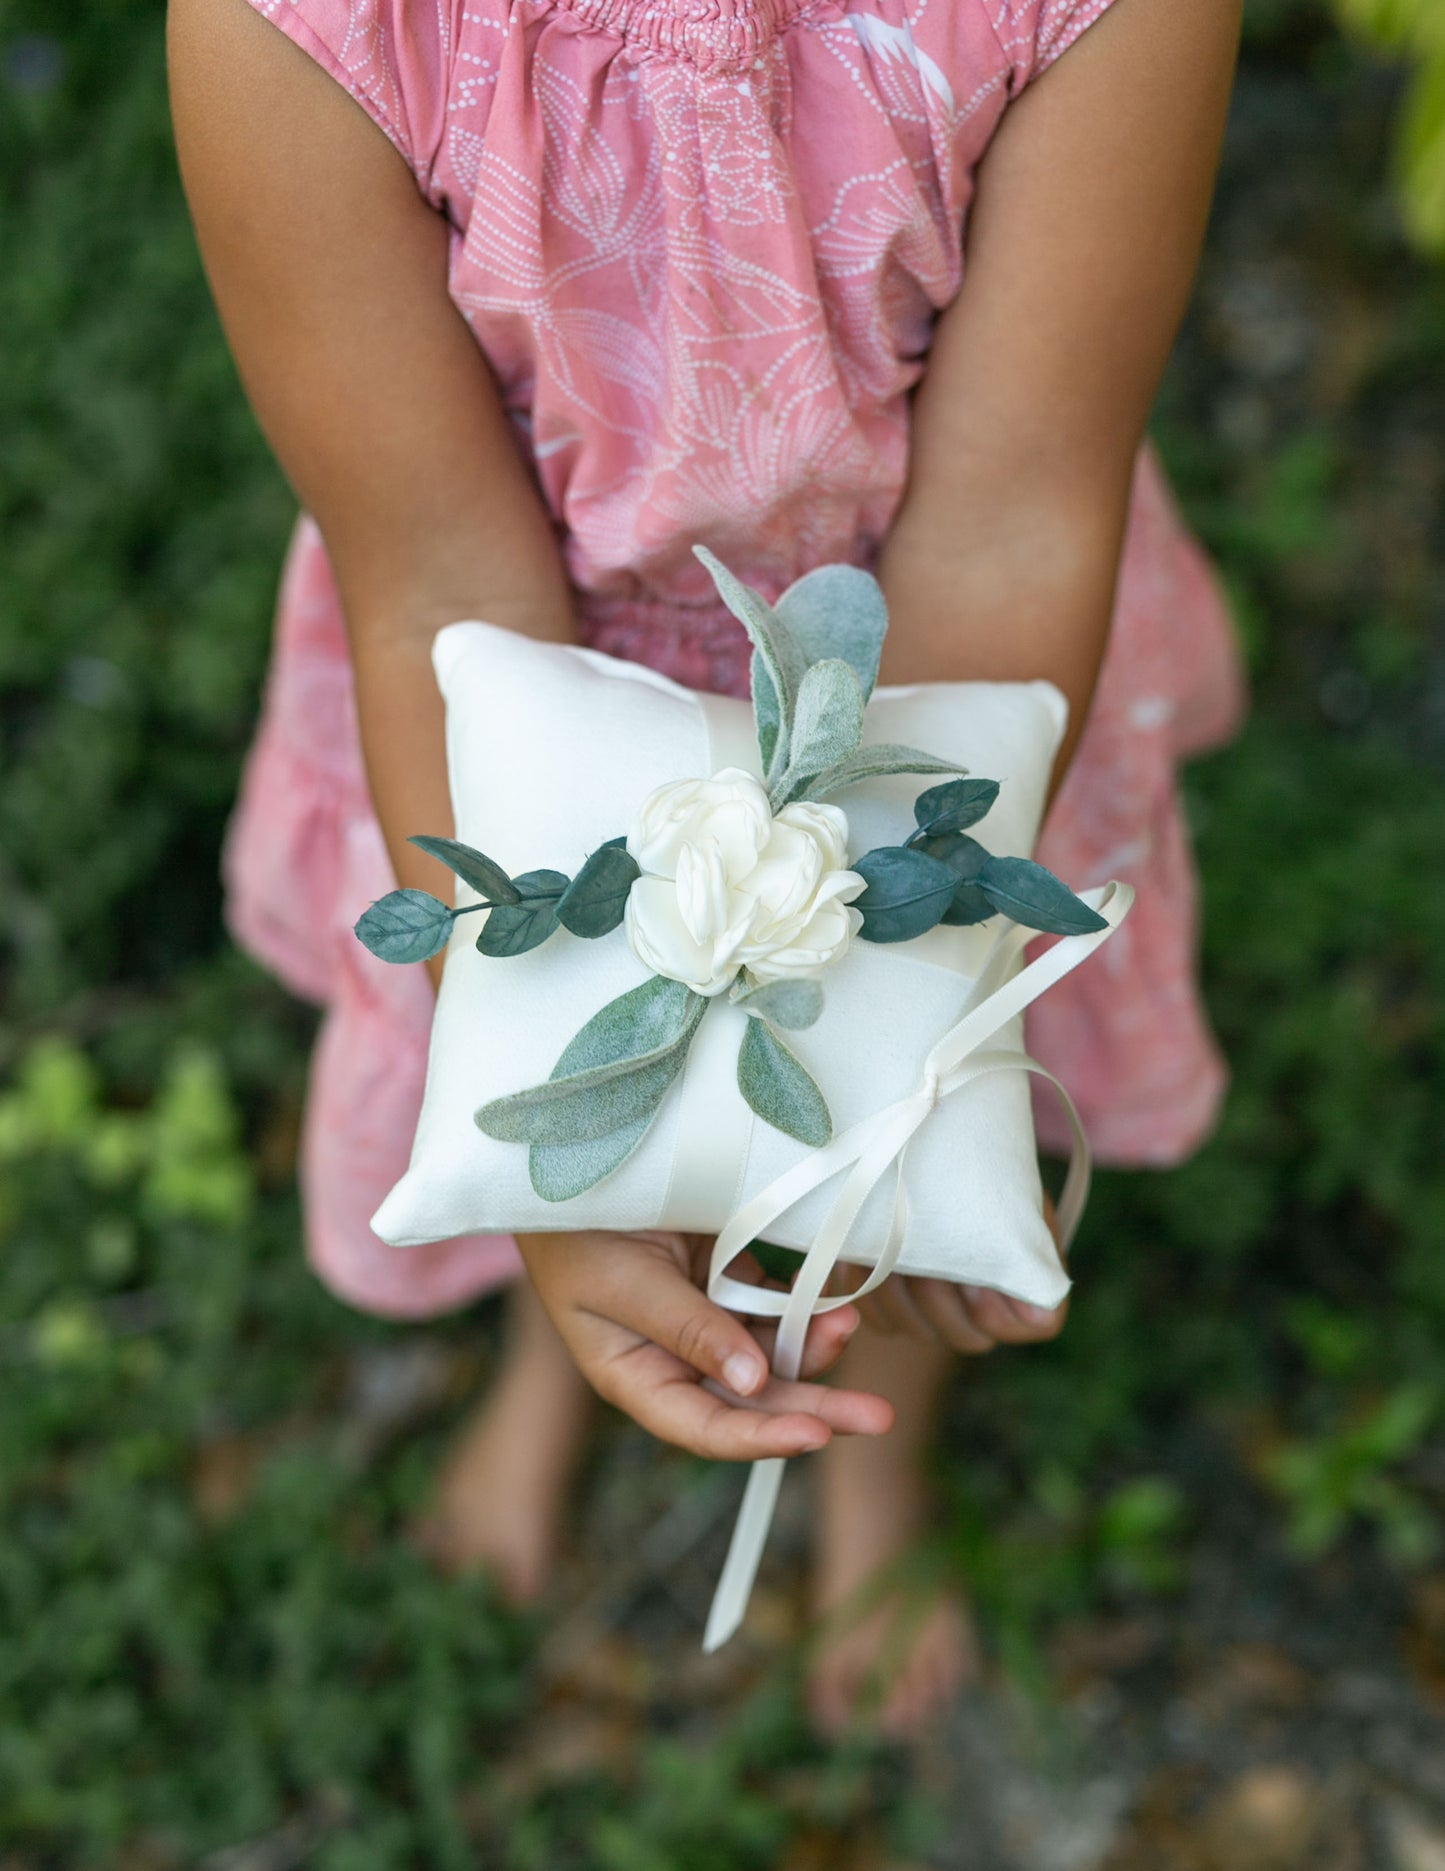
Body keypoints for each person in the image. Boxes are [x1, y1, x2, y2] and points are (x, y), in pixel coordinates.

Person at [168, 0, 1246, 1737]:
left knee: (891, 1153)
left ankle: (868, 1450)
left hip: (940, 678)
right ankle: (562, 1323)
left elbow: (1013, 519)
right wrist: (569, 1168)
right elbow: (438, 570)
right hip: (510, 685)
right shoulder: (292, 30)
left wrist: (906, 1071)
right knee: (578, 1135)